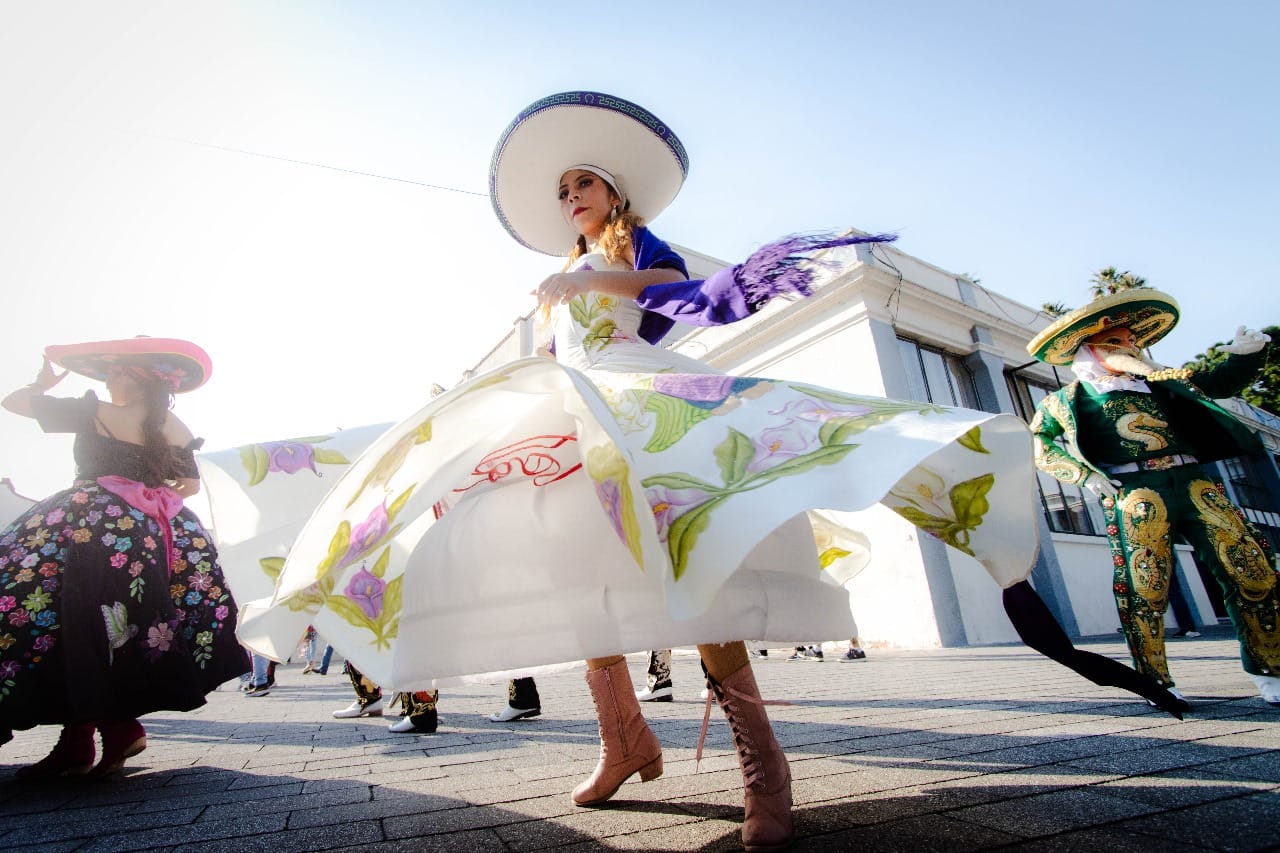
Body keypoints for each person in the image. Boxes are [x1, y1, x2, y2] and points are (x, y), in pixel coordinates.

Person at [242, 92, 1172, 850]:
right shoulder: (558, 273)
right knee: (580, 575)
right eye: (564, 188)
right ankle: (625, 741)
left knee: (697, 566)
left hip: (643, 405)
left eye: (583, 183)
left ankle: (765, 771)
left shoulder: (625, 249)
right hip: (572, 415)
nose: (571, 196)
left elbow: (675, 291)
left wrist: (591, 282)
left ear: (612, 192)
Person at [0, 338, 248, 778]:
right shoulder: (173, 423)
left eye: (113, 371)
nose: (107, 378)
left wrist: (41, 383)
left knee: (61, 616)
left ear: (132, 376)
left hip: (87, 526)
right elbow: (190, 484)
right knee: (121, 627)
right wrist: (147, 489)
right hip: (151, 532)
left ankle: (90, 737)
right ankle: (101, 733)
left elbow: (13, 403)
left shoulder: (96, 411)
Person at [1028, 289, 1280, 707]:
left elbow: (1217, 383)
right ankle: (1155, 679)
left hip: (1195, 481)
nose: (1132, 347)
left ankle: (1269, 669)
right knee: (1144, 585)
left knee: (1251, 571)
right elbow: (1039, 443)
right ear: (1094, 350)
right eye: (1120, 343)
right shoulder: (1064, 401)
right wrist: (1084, 475)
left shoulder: (1161, 385)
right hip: (1135, 492)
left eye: (1132, 341)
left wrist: (1244, 354)